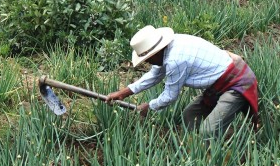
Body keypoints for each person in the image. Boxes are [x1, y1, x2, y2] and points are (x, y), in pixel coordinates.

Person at [106, 25, 260, 139]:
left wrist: (148, 107)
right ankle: (208, 145)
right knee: (190, 116)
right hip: (219, 83)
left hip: (236, 82)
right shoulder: (168, 47)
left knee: (209, 130)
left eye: (148, 58)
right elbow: (154, 75)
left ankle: (218, 157)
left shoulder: (176, 60)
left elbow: (170, 96)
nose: (147, 62)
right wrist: (122, 93)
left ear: (156, 51)